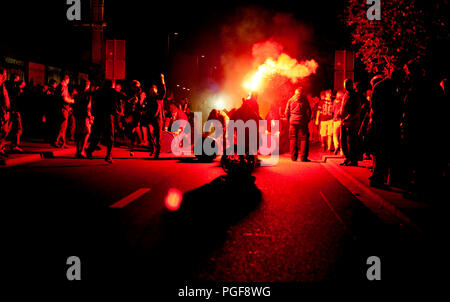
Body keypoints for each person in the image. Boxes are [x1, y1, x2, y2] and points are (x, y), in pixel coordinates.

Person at [86, 80, 121, 163]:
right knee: (110, 136)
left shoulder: (98, 91)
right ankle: (108, 155)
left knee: (97, 136)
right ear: (111, 85)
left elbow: (91, 96)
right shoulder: (112, 91)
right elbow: (124, 96)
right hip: (108, 116)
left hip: (99, 116)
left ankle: (90, 150)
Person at [285, 87, 312, 162]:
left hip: (293, 122)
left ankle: (293, 157)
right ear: (302, 93)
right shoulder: (305, 100)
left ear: (295, 93)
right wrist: (307, 120)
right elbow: (309, 111)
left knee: (293, 139)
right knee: (304, 139)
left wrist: (289, 120)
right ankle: (303, 157)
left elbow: (286, 112)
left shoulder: (290, 100)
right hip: (303, 121)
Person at [340, 79, 361, 166]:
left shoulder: (354, 95)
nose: (346, 86)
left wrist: (349, 118)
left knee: (351, 142)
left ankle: (353, 160)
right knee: (343, 141)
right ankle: (347, 158)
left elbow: (356, 110)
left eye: (347, 84)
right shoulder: (346, 94)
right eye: (345, 85)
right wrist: (339, 113)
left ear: (351, 85)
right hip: (344, 122)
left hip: (351, 123)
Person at [147, 74, 167, 158]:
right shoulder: (149, 98)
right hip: (151, 118)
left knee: (158, 136)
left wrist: (162, 80)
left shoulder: (159, 97)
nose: (152, 90)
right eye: (151, 89)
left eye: (154, 89)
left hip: (159, 118)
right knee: (149, 132)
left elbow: (164, 91)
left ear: (156, 90)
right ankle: (152, 148)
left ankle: (157, 152)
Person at [73, 79, 93, 158]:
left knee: (79, 133)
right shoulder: (88, 95)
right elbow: (87, 106)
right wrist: (89, 116)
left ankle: (78, 151)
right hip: (85, 115)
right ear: (87, 85)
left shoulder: (77, 94)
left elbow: (75, 105)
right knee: (87, 132)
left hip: (78, 115)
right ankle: (81, 151)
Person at [54, 75, 74, 148]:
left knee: (63, 126)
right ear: (66, 80)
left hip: (63, 108)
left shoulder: (62, 86)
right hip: (63, 108)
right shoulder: (63, 86)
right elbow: (64, 98)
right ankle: (56, 140)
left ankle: (62, 142)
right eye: (68, 80)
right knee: (62, 126)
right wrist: (72, 101)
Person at [0, 67, 11, 157]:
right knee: (1, 131)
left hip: (5, 111)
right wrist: (3, 111)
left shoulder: (3, 84)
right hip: (2, 112)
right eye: (5, 73)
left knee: (4, 131)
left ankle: (1, 149)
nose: (6, 76)